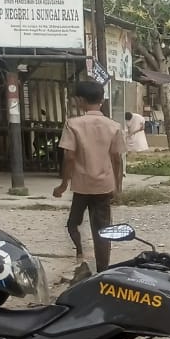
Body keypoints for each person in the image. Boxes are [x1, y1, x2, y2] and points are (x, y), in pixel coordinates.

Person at [52, 81, 126, 272]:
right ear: (102, 100)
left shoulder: (73, 124)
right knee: (102, 230)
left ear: (80, 101)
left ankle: (79, 253)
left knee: (72, 224)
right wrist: (117, 185)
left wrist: (63, 185)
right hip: (104, 186)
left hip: (81, 186)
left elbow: (69, 157)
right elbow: (117, 159)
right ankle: (103, 270)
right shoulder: (114, 126)